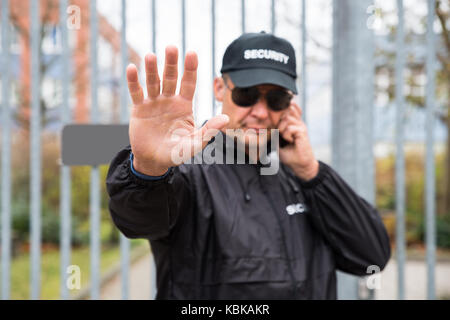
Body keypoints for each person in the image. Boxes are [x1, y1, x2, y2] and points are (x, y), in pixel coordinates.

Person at [106, 32, 391, 300]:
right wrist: (148, 169)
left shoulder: (301, 175)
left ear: (290, 104)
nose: (260, 111)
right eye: (247, 94)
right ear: (220, 89)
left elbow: (370, 257)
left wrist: (312, 173)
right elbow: (138, 220)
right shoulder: (186, 171)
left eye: (276, 98)